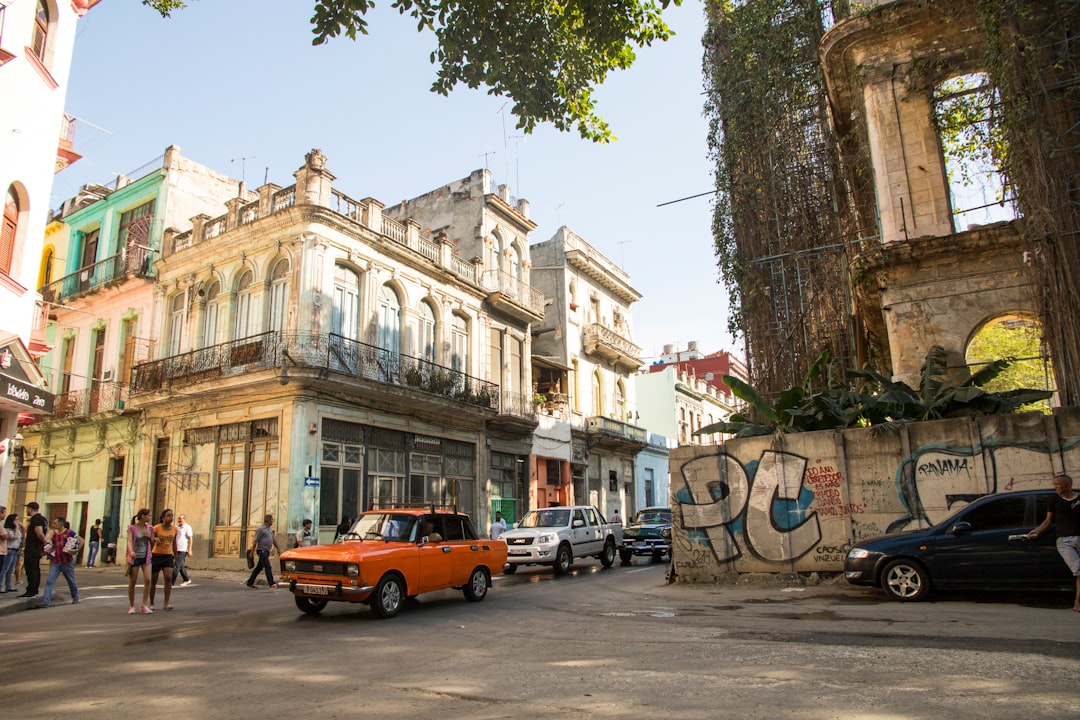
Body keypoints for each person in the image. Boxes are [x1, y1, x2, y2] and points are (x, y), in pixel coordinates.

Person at [1027, 473, 1080, 611]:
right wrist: (1037, 531)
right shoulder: (1054, 500)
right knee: (1079, 570)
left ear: (1067, 485)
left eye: (1057, 484)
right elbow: (1048, 521)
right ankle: (1077, 602)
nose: (1055, 487)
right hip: (1064, 540)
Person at [38, 516, 80, 608]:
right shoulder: (54, 535)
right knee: (50, 580)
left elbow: (81, 540)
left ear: (61, 524)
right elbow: (54, 546)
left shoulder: (70, 532)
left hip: (67, 562)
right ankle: (46, 601)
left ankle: (75, 596)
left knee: (71, 580)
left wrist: (76, 550)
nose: (54, 525)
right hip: (56, 561)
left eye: (55, 523)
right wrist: (46, 552)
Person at [149, 509, 178, 610]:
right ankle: (152, 603)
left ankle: (166, 603)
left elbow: (174, 544)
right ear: (163, 518)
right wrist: (154, 540)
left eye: (171, 516)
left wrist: (176, 558)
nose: (170, 518)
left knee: (168, 578)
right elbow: (151, 540)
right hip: (156, 555)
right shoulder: (156, 528)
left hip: (168, 556)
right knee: (154, 580)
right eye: (168, 516)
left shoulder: (175, 529)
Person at [126, 508, 154, 614]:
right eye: (149, 516)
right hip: (135, 557)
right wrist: (131, 551)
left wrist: (150, 537)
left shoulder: (150, 528)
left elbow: (152, 544)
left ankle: (144, 605)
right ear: (142, 516)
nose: (150, 518)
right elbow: (129, 541)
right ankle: (132, 605)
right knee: (132, 581)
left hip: (146, 556)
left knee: (148, 579)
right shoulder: (132, 528)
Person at [18, 502, 48, 599]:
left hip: (33, 549)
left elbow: (39, 533)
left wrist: (44, 542)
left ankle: (32, 591)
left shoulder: (36, 519)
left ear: (31, 509)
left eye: (27, 509)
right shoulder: (43, 519)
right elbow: (47, 531)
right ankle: (32, 590)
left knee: (31, 570)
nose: (27, 511)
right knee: (35, 569)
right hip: (36, 548)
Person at [246, 514, 281, 589]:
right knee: (268, 566)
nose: (272, 521)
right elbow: (255, 541)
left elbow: (273, 539)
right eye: (272, 520)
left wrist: (278, 548)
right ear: (268, 520)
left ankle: (250, 582)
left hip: (266, 551)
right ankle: (271, 583)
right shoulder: (260, 529)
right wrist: (252, 552)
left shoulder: (269, 529)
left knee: (259, 568)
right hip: (261, 550)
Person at [1, 513, 21, 592]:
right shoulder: (7, 530)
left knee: (10, 569)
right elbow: (14, 537)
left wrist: (19, 525)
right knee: (5, 568)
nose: (17, 522)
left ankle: (8, 585)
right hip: (9, 549)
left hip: (15, 549)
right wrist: (16, 527)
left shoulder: (17, 529)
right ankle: (0, 585)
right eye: (16, 520)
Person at [174, 513, 193, 586]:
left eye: (180, 519)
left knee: (177, 566)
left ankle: (171, 582)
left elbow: (190, 538)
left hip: (183, 549)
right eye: (178, 519)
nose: (179, 520)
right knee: (180, 565)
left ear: (184, 519)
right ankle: (186, 579)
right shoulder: (176, 527)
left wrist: (189, 550)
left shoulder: (187, 527)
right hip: (176, 549)